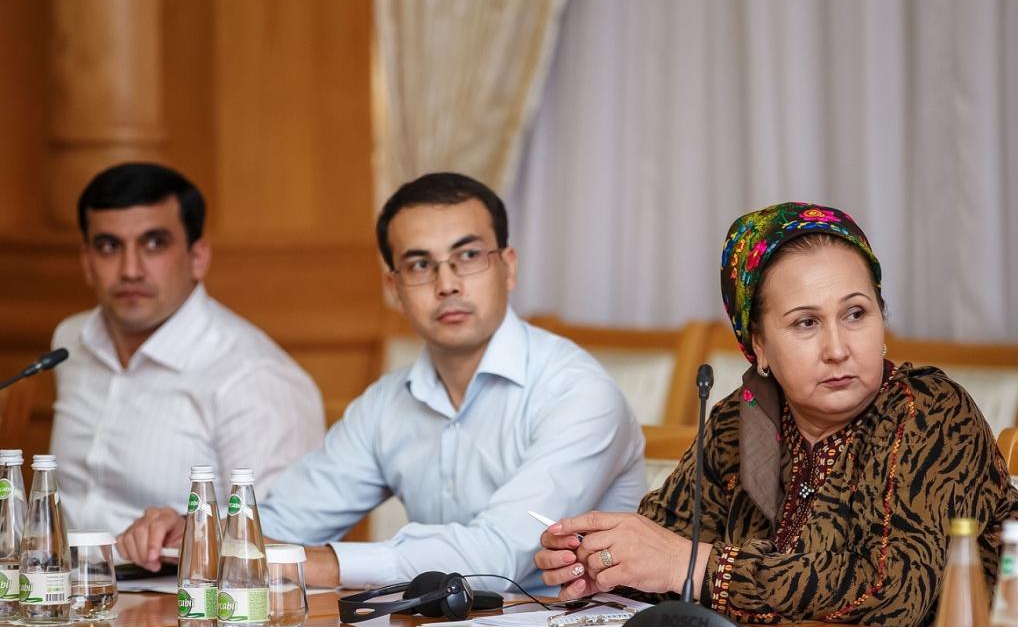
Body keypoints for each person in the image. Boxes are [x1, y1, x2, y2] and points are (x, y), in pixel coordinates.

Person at [535, 202, 1018, 627]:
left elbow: (890, 593)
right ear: (758, 346)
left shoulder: (929, 410)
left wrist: (690, 566)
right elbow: (667, 544)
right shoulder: (742, 423)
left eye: (856, 314)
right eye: (806, 323)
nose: (837, 348)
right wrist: (599, 561)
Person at [118, 172, 647, 590]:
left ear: (507, 267)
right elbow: (286, 522)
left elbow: (499, 554)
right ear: (394, 288)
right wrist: (202, 534)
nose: (446, 285)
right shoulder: (386, 406)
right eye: (420, 265)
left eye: (467, 257)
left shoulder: (578, 394)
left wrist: (319, 564)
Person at [51, 162, 325, 537]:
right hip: (61, 585)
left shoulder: (254, 376)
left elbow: (280, 544)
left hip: (178, 593)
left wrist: (187, 535)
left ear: (198, 258)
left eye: (154, 243)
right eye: (109, 246)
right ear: (87, 262)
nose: (130, 269)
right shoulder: (70, 341)